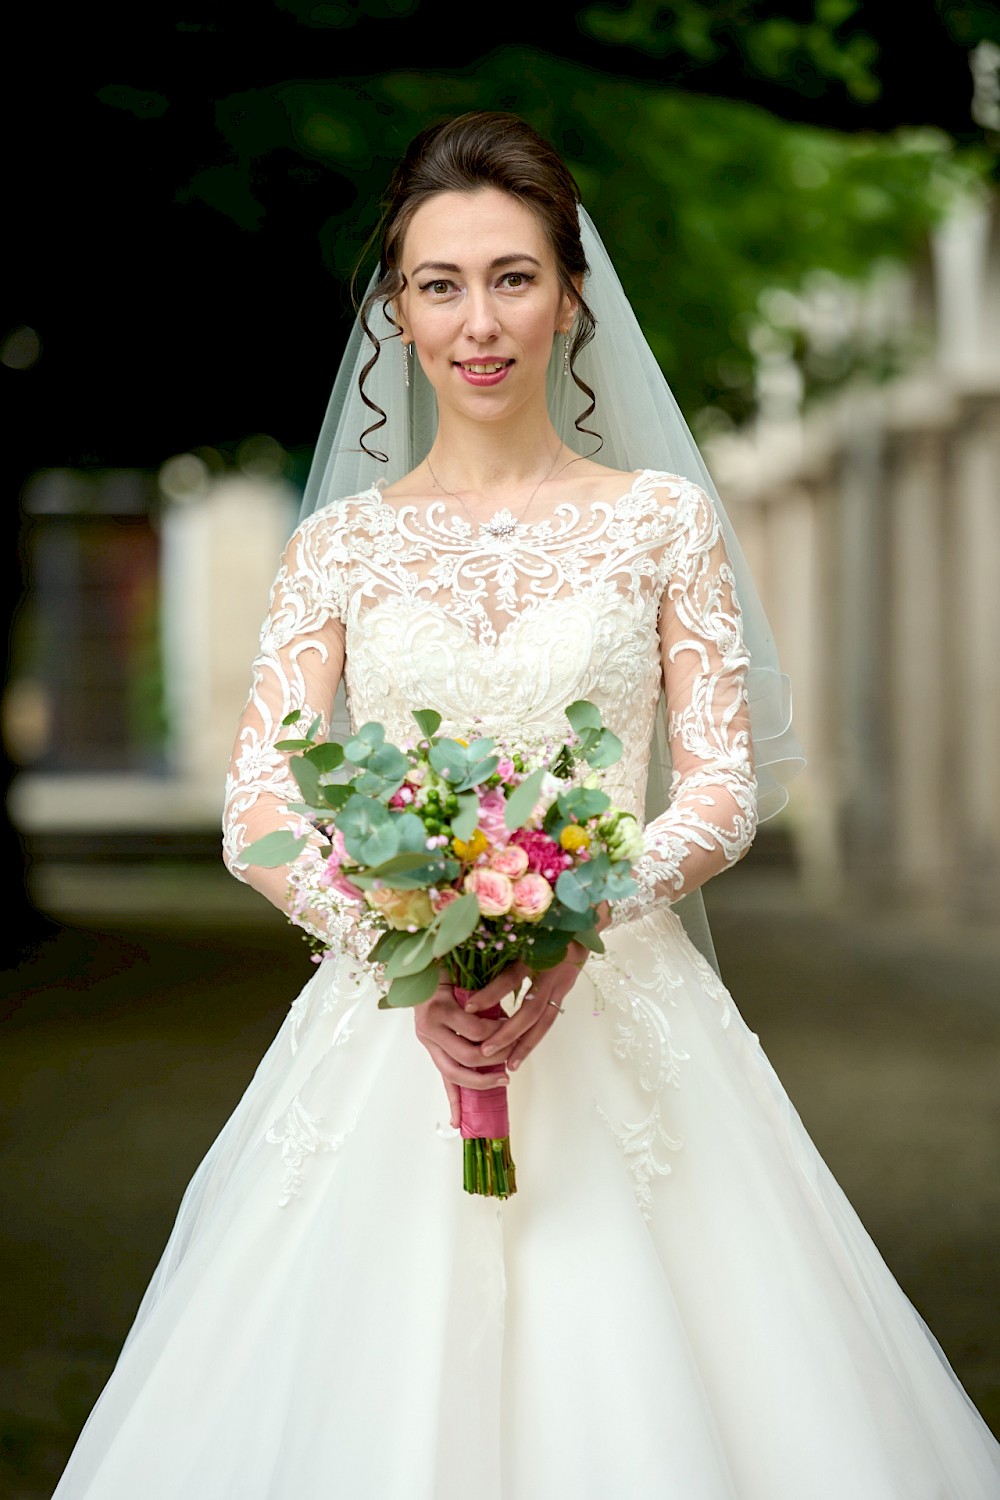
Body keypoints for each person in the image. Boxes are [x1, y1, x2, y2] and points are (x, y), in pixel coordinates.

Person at [54, 112, 1000, 1499]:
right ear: (397, 310)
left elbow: (726, 787)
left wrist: (572, 919)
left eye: (512, 277)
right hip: (389, 1029)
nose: (478, 321)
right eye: (440, 284)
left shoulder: (661, 521)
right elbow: (259, 804)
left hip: (625, 1008)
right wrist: (411, 956)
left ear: (570, 297)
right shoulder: (341, 550)